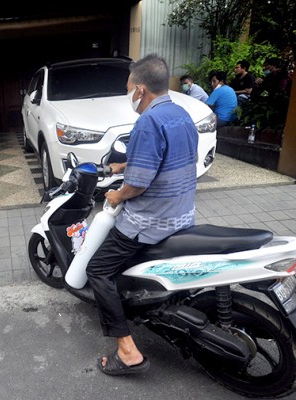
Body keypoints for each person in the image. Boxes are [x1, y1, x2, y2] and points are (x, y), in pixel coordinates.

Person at [86, 54, 198, 376]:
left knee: (99, 270)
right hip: (182, 215)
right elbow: (168, 160)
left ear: (141, 89)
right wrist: (123, 165)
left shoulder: (147, 122)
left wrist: (117, 193)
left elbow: (136, 186)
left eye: (129, 88)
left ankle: (127, 350)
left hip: (149, 221)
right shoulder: (181, 114)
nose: (129, 95)